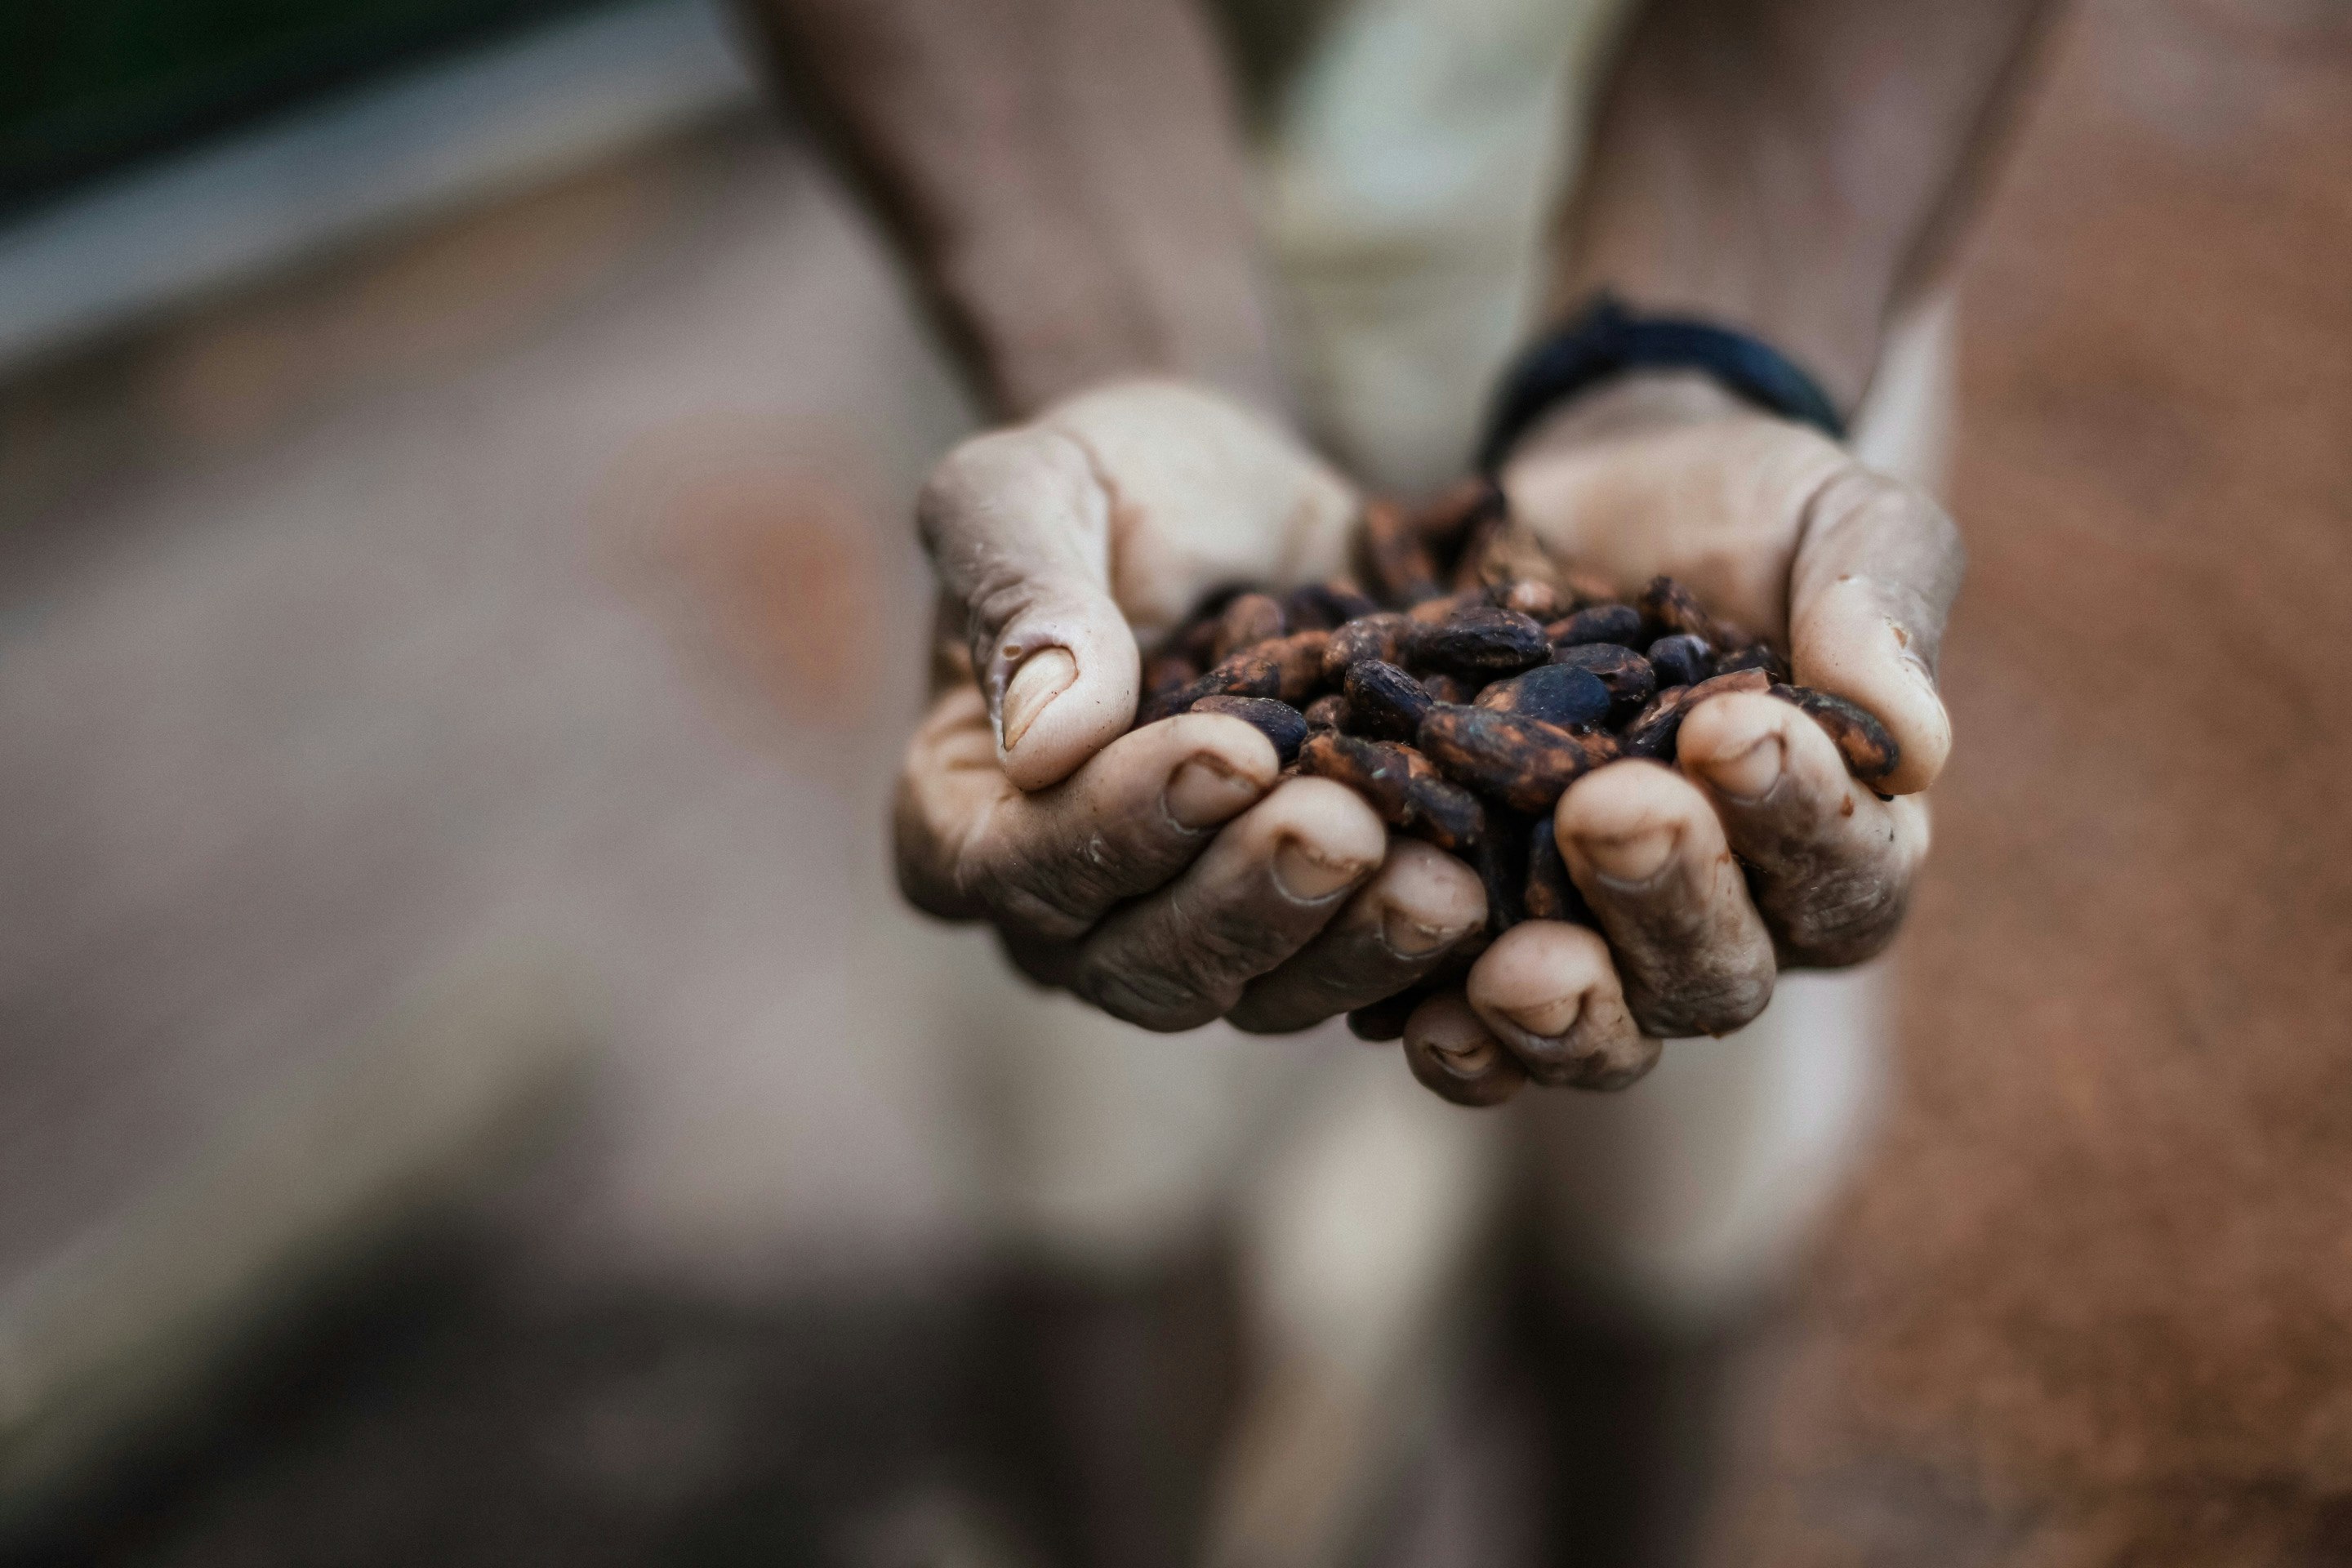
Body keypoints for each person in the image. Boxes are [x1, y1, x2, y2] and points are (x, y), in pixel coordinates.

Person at [737, 0, 2056, 1559]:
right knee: (1085, 1175)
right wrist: (1118, 365)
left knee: (1674, 1211)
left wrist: (1700, 372)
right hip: (1057, 208)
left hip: (1750, 253)